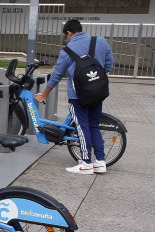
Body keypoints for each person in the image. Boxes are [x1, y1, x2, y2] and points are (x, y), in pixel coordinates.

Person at [36, 19, 114, 175]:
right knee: (94, 125)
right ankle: (100, 162)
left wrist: (44, 94)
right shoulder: (101, 42)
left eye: (67, 36)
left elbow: (57, 75)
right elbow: (109, 66)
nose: (67, 39)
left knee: (82, 126)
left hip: (78, 96)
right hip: (98, 93)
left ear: (69, 33)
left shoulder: (67, 50)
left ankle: (85, 162)